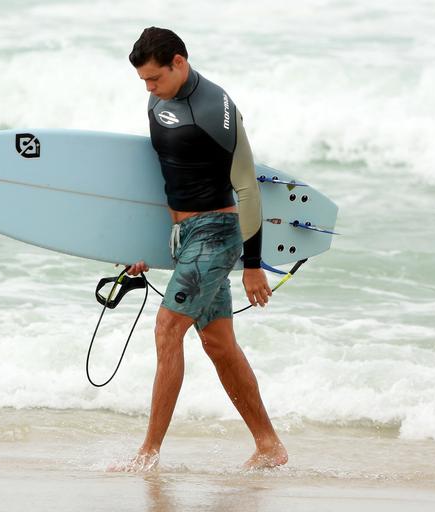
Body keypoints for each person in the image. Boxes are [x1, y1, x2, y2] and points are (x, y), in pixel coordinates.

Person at [114, 27, 288, 471]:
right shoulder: (157, 100)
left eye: (155, 78)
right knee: (218, 343)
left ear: (179, 61)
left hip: (217, 232)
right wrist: (145, 245)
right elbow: (164, 176)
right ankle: (269, 445)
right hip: (182, 236)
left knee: (167, 329)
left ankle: (148, 453)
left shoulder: (216, 108)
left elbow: (247, 186)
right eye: (144, 82)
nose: (149, 88)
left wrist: (253, 265)